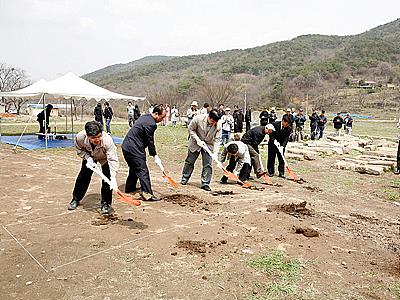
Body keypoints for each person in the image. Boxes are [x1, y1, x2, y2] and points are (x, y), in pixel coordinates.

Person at [68, 121, 119, 215]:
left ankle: (106, 204)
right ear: (87, 136)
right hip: (89, 156)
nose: (97, 140)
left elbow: (112, 159)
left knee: (107, 179)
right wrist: (88, 158)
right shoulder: (80, 137)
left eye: (99, 136)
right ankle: (76, 199)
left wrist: (113, 178)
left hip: (104, 157)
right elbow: (79, 150)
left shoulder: (107, 140)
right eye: (93, 138)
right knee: (83, 176)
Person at [122, 105, 166, 201]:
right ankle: (147, 194)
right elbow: (150, 141)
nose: (162, 120)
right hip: (133, 148)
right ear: (156, 114)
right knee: (142, 170)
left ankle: (129, 188)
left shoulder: (145, 117)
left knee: (134, 168)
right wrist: (154, 155)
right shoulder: (151, 124)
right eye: (162, 117)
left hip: (126, 146)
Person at [181, 109, 222, 191]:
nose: (214, 123)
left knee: (208, 164)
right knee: (190, 161)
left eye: (215, 122)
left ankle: (205, 183)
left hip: (208, 144)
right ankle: (184, 178)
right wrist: (197, 140)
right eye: (212, 121)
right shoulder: (197, 119)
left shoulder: (219, 124)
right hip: (195, 143)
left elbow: (217, 139)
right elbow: (190, 129)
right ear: (209, 117)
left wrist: (215, 153)